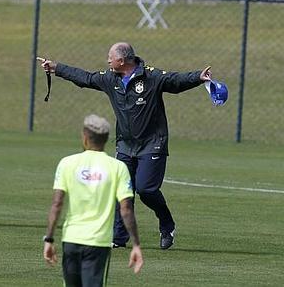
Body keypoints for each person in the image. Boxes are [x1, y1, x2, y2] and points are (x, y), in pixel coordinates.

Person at [37, 42, 213, 250]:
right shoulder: (110, 78)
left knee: (145, 189)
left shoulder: (151, 77)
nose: (107, 60)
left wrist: (198, 77)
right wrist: (57, 68)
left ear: (122, 60)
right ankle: (119, 238)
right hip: (126, 146)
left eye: (110, 56)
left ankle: (166, 223)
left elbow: (174, 80)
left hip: (152, 144)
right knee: (122, 190)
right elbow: (85, 78)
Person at [43, 114, 143, 287]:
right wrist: (135, 245)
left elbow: (57, 204)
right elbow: (126, 209)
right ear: (105, 140)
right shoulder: (118, 167)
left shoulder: (67, 163)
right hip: (98, 243)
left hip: (72, 240)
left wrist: (49, 239)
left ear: (84, 137)